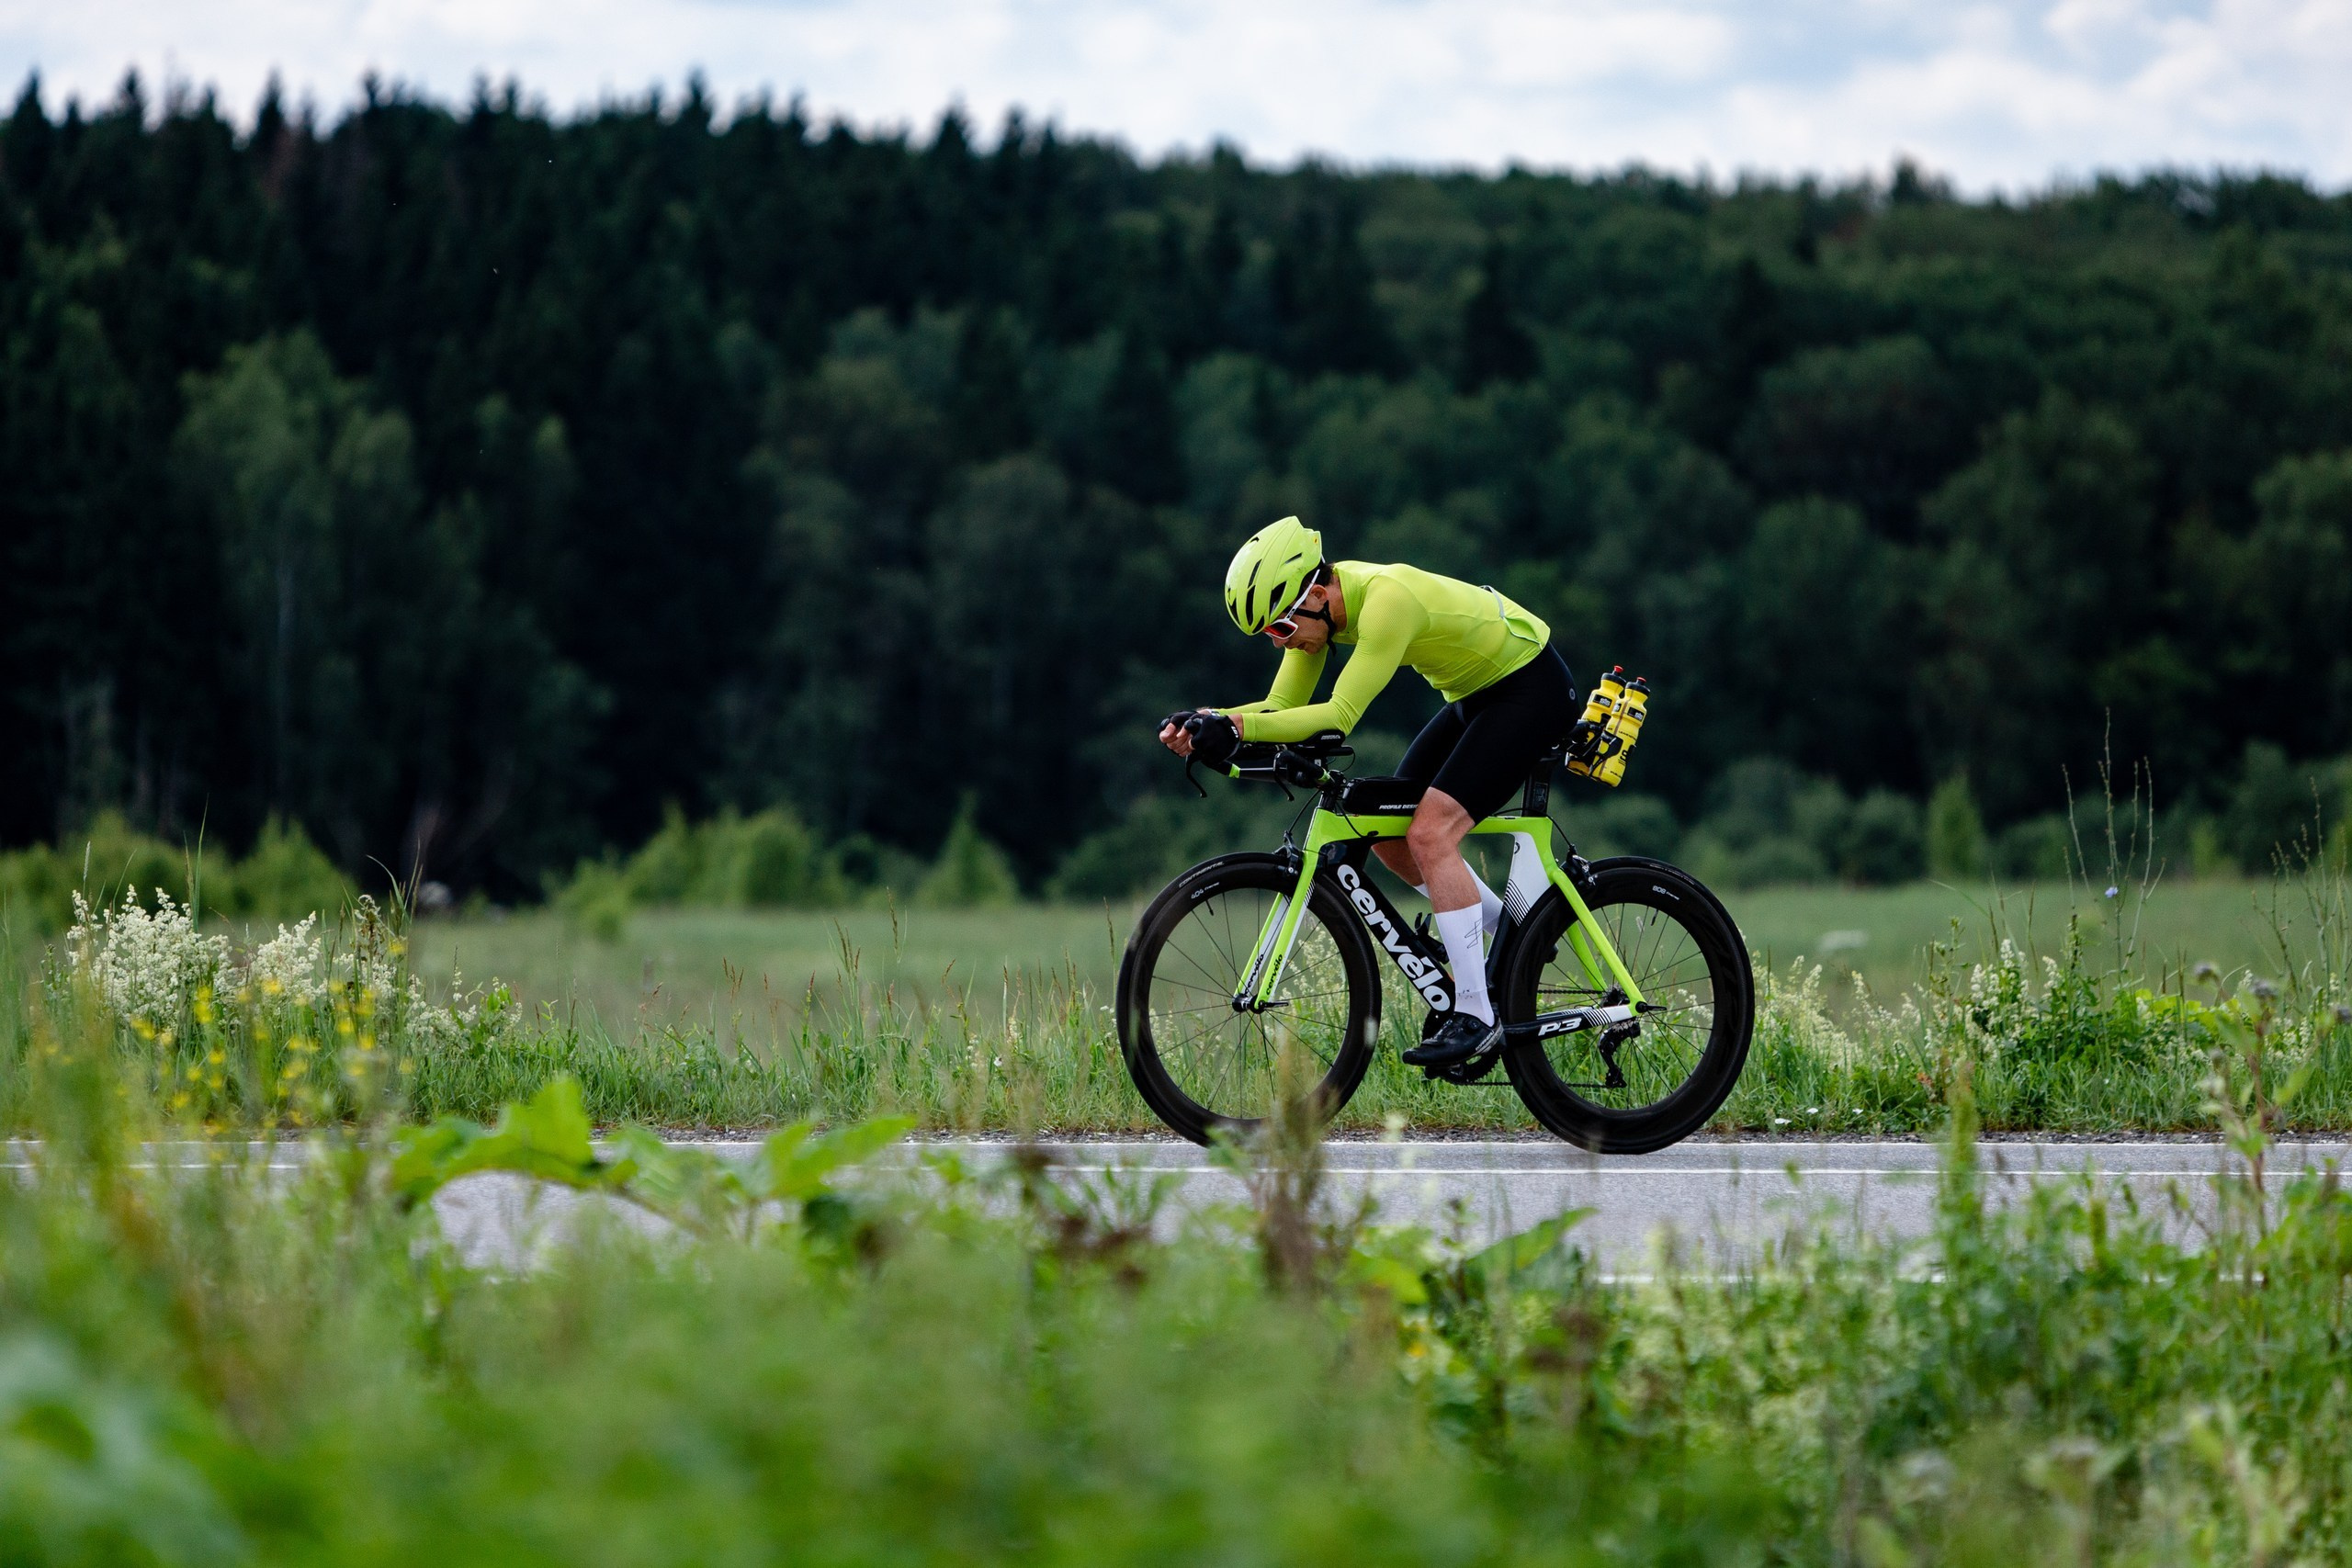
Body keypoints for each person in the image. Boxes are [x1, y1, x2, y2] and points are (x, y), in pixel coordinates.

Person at [1159, 515, 1578, 1069]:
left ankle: (1477, 1015)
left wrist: (1236, 728)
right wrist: (1209, 719)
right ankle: (1509, 931)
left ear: (1313, 593)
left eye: (1282, 630)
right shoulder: (1317, 616)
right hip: (1478, 695)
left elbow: (1338, 716)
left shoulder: (1386, 600)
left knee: (1431, 833)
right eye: (1272, 637)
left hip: (1531, 687)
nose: (1286, 643)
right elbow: (1281, 710)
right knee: (1387, 836)